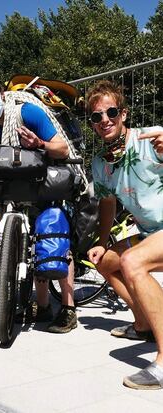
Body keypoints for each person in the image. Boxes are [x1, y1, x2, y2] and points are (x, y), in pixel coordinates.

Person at [0, 73, 77, 333]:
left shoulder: (28, 113)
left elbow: (62, 149)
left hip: (42, 185)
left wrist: (39, 144)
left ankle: (68, 309)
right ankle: (41, 307)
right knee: (31, 245)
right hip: (11, 187)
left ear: (3, 93)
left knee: (51, 237)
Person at [86, 80, 163, 390]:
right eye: (96, 116)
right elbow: (108, 203)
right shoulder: (101, 164)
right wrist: (102, 243)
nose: (105, 120)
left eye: (111, 112)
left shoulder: (151, 139)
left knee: (132, 262)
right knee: (106, 262)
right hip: (150, 233)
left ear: (124, 114)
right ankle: (143, 323)